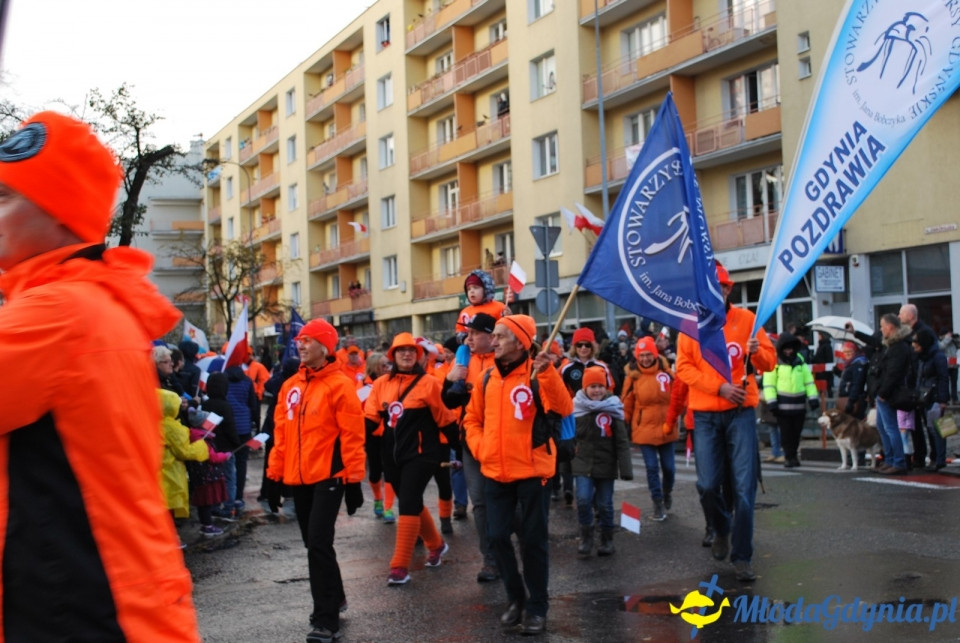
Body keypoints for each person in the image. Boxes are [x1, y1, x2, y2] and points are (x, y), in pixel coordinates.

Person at [0, 111, 200, 639]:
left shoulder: (57, 310)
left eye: (5, 197)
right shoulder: (84, 302)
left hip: (86, 611)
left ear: (59, 213)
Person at [464, 315, 573, 635]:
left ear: (520, 342)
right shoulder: (486, 379)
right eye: (494, 336)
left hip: (533, 470)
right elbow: (471, 420)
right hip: (495, 471)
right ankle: (515, 598)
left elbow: (564, 408)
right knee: (496, 536)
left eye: (500, 336)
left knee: (533, 541)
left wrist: (550, 371)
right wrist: (481, 448)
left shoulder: (540, 374)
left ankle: (537, 607)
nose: (493, 341)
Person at [675, 262, 776, 583]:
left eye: (717, 288)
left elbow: (769, 362)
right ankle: (721, 527)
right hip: (704, 414)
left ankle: (742, 556)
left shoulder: (747, 320)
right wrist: (718, 387)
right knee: (706, 485)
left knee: (745, 490)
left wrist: (757, 353)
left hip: (741, 414)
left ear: (727, 289)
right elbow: (683, 368)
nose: (711, 294)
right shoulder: (689, 324)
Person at [267, 319, 366, 643]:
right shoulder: (289, 386)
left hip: (330, 476)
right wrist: (274, 477)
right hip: (299, 476)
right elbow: (280, 435)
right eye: (299, 340)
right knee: (314, 544)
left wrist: (353, 481)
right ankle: (335, 596)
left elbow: (352, 435)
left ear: (325, 347)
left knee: (319, 543)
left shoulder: (340, 385)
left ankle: (326, 619)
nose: (301, 344)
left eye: (307, 340)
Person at [364, 333, 459, 586]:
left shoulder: (429, 383)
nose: (406, 354)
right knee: (412, 501)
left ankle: (399, 567)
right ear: (393, 355)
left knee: (407, 502)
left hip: (422, 455)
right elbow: (370, 420)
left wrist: (461, 451)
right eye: (401, 351)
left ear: (418, 355)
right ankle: (436, 545)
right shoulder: (381, 383)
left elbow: (446, 419)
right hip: (391, 456)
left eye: (411, 351)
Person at [441, 312, 500, 582]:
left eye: (475, 333)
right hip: (471, 440)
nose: (469, 337)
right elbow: (446, 401)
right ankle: (490, 559)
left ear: (491, 336)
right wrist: (449, 382)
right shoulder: (463, 358)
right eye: (468, 333)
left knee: (507, 501)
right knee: (480, 502)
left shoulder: (504, 360)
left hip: (501, 439)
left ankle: (511, 550)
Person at [572, 366, 633, 557]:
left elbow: (622, 441)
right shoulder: (576, 408)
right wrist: (564, 466)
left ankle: (607, 538)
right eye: (592, 386)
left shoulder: (614, 408)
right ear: (585, 388)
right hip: (582, 463)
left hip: (606, 464)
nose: (597, 390)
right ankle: (586, 536)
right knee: (583, 499)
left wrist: (626, 469)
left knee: (605, 503)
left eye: (600, 386)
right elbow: (569, 438)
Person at [622, 336, 680, 521]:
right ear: (637, 356)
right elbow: (626, 403)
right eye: (642, 355)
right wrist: (623, 424)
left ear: (655, 354)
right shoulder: (632, 377)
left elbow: (679, 396)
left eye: (648, 354)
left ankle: (667, 491)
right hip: (644, 429)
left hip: (666, 428)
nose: (645, 359)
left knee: (669, 468)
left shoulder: (667, 373)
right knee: (652, 468)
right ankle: (657, 502)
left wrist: (680, 416)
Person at [761, 333, 820, 468]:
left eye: (791, 349)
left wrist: (813, 398)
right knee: (786, 434)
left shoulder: (800, 362)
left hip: (799, 405)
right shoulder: (774, 363)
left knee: (796, 433)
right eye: (786, 349)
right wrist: (772, 402)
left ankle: (793, 455)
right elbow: (769, 384)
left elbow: (809, 382)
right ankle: (789, 457)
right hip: (782, 406)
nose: (789, 352)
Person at [873, 313, 914, 475]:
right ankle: (889, 459)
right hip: (883, 391)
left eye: (882, 326)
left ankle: (898, 461)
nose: (881, 330)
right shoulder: (892, 345)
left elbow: (893, 373)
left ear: (890, 327)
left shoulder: (898, 347)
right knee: (883, 428)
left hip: (888, 393)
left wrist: (883, 392)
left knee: (891, 428)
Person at [359, 352, 398, 522]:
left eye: (388, 364)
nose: (387, 368)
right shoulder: (363, 386)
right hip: (372, 434)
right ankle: (377, 499)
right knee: (375, 471)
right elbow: (357, 408)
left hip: (390, 433)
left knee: (390, 470)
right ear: (374, 367)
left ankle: (388, 508)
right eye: (383, 365)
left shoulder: (392, 382)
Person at [202, 372, 242, 521]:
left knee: (213, 479)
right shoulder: (225, 406)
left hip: (209, 448)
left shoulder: (205, 404)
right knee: (229, 478)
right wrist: (236, 443)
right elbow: (230, 427)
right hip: (226, 449)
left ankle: (213, 505)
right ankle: (228, 507)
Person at [225, 363, 260, 513]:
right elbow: (253, 404)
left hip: (228, 427)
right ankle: (239, 497)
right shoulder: (247, 381)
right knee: (241, 463)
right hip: (244, 427)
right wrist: (255, 424)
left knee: (226, 463)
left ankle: (228, 497)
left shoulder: (223, 379)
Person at [914, 329, 950, 471]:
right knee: (931, 428)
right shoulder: (924, 357)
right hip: (925, 397)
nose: (914, 346)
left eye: (916, 343)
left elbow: (943, 378)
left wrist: (943, 400)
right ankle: (936, 458)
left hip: (934, 397)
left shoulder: (937, 356)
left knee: (938, 429)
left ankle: (940, 459)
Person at [456, 269, 507, 333]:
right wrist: (464, 338)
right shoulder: (465, 312)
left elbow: (506, 329)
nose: (472, 291)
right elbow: (460, 330)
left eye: (476, 287)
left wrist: (508, 317)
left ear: (487, 289)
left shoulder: (499, 307)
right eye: (468, 289)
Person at [836, 341, 869, 419]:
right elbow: (848, 379)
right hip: (848, 398)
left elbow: (857, 383)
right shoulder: (850, 363)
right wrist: (838, 372)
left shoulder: (858, 363)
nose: (847, 354)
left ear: (855, 351)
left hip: (854, 400)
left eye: (850, 351)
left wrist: (851, 401)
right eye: (845, 351)